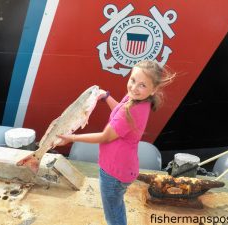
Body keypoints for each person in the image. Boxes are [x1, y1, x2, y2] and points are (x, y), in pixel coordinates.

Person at [53, 60, 175, 225]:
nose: (134, 87)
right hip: (124, 169)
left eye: (142, 85)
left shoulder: (132, 109)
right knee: (116, 206)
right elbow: (120, 112)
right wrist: (107, 97)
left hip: (114, 173)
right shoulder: (138, 101)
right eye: (132, 80)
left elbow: (105, 136)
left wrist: (71, 138)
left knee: (112, 214)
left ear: (153, 90)